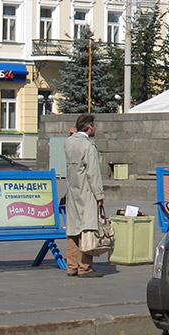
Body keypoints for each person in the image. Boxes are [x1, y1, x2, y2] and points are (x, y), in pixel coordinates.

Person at [64, 113, 105, 277]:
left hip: (72, 189)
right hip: (86, 190)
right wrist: (99, 195)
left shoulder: (69, 142)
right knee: (87, 227)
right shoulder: (88, 146)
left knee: (73, 228)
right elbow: (93, 172)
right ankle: (85, 267)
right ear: (89, 127)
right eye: (94, 125)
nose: (95, 128)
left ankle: (71, 266)